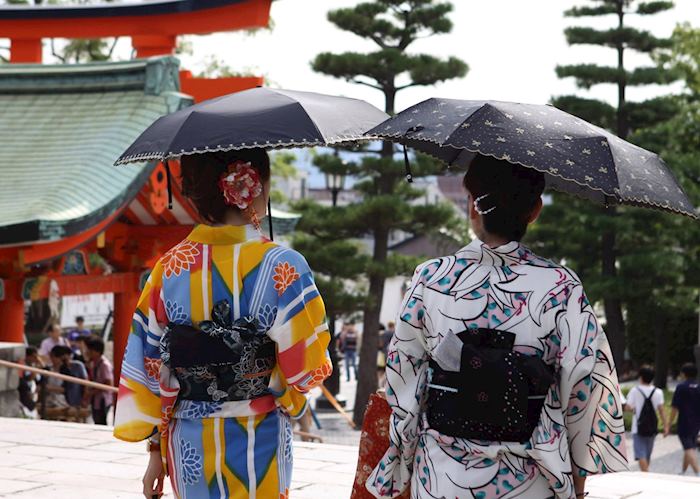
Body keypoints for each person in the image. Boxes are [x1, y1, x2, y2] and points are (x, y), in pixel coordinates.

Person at [366, 155, 628, 499]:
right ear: (535, 211)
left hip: (441, 474)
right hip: (532, 476)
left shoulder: (430, 278)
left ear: (472, 206)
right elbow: (582, 385)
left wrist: (400, 465)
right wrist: (577, 480)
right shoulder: (561, 286)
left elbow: (404, 379)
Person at [113, 149, 332, 499]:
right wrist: (291, 397)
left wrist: (155, 452)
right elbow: (307, 369)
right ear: (254, 186)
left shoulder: (168, 268)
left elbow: (150, 366)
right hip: (260, 432)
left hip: (189, 438)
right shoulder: (283, 266)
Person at [625, 365, 667, 472]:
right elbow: (661, 410)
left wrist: (633, 408)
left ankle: (647, 475)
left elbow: (627, 407)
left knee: (641, 454)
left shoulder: (635, 390)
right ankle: (646, 474)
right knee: (647, 454)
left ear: (641, 377)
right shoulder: (658, 392)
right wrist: (666, 426)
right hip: (652, 426)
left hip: (638, 427)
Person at [666, 363, 700, 476]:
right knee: (690, 446)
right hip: (696, 423)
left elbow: (675, 408)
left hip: (684, 422)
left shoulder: (681, 387)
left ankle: (698, 472)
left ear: (684, 374)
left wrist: (669, 424)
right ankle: (683, 471)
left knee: (688, 448)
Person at [85, 336, 113, 425]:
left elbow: (108, 383)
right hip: (96, 400)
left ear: (96, 351)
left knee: (101, 423)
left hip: (102, 400)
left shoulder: (104, 365)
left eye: (89, 350)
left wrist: (92, 393)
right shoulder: (94, 363)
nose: (87, 352)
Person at [18, 346, 41, 417]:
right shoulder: (23, 366)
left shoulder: (33, 366)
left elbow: (39, 380)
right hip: (25, 389)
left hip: (34, 390)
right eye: (33, 357)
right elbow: (29, 378)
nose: (35, 359)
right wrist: (35, 369)